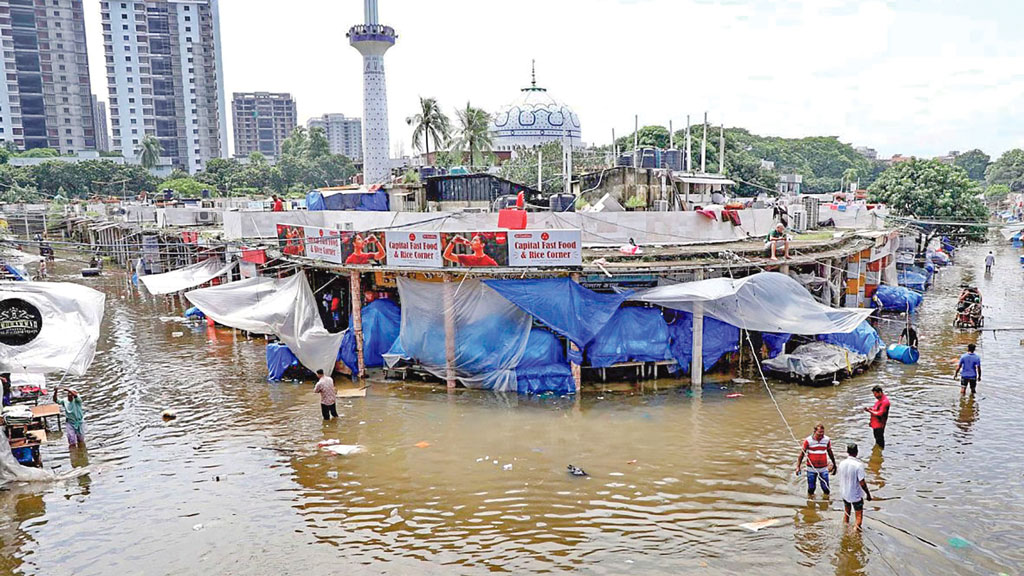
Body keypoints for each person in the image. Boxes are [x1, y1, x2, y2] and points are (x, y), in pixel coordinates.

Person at [795, 423, 838, 496]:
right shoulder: (808, 441)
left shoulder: (826, 440)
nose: (821, 435)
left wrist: (834, 465)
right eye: (819, 433)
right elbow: (802, 454)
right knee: (811, 489)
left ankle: (826, 503)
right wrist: (798, 467)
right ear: (814, 432)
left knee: (826, 489)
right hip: (811, 468)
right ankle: (810, 502)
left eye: (822, 433)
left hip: (823, 468)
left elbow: (830, 452)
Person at [837, 443, 872, 531]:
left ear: (847, 452)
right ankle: (856, 533)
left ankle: (845, 531)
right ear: (857, 452)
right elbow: (862, 483)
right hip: (855, 495)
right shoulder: (858, 465)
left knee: (847, 513)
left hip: (845, 493)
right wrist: (868, 494)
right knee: (859, 516)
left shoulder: (842, 463)